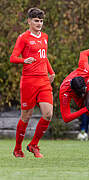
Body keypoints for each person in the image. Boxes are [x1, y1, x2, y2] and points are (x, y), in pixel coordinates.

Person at [10, 8, 55, 158]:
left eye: (41, 21)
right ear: (29, 21)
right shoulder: (23, 37)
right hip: (29, 81)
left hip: (43, 80)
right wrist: (24, 60)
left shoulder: (45, 37)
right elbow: (13, 57)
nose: (39, 23)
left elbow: (44, 56)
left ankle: (33, 145)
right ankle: (17, 148)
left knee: (48, 114)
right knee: (26, 116)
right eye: (36, 20)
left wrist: (51, 72)